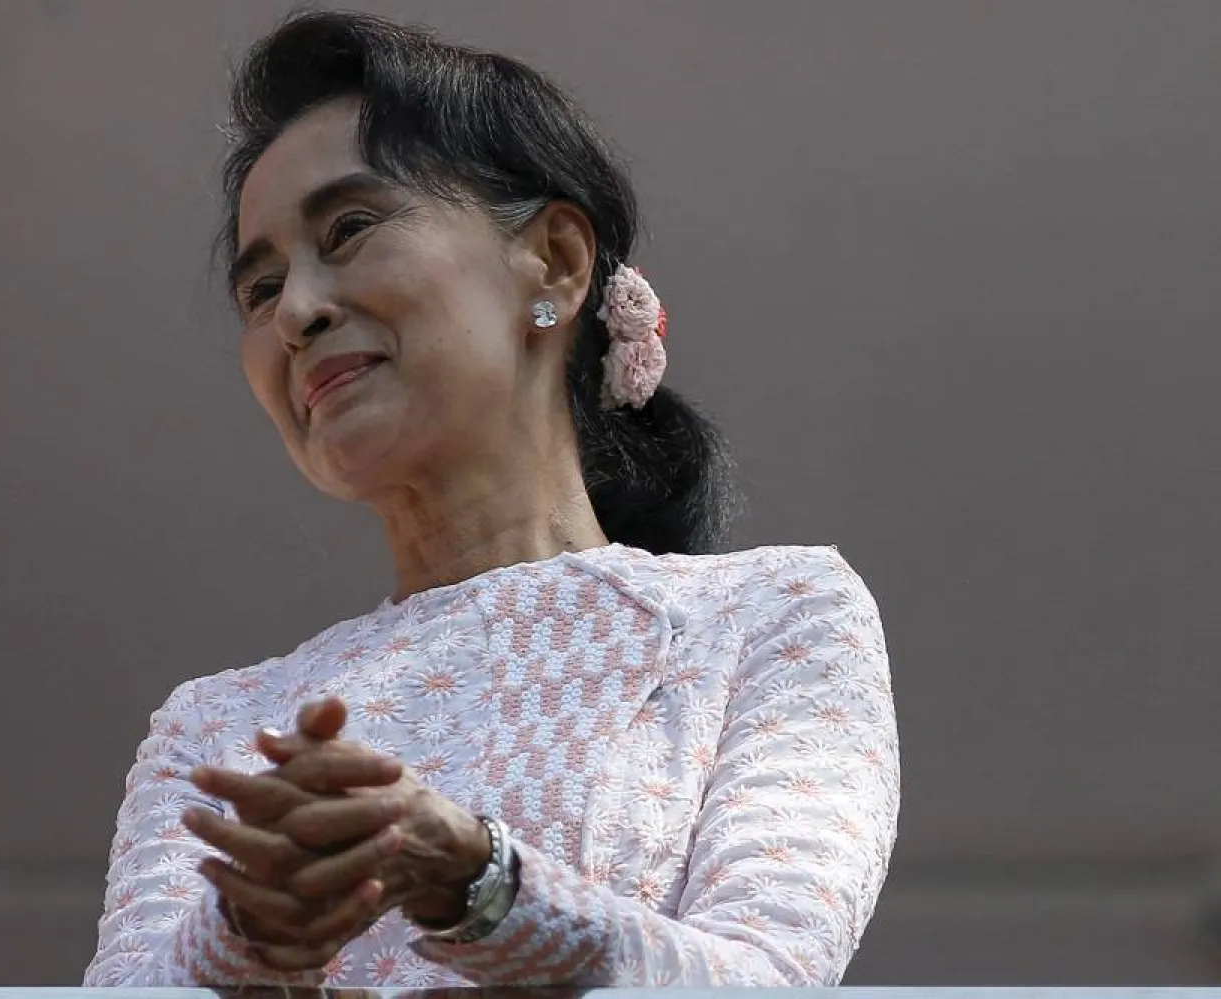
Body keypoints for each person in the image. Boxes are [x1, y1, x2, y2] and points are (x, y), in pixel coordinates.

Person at [83, 10, 898, 989]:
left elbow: (767, 981)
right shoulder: (215, 725)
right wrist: (252, 942)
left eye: (349, 228)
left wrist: (485, 886)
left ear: (553, 260)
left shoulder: (768, 617)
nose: (296, 313)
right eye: (260, 291)